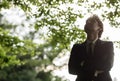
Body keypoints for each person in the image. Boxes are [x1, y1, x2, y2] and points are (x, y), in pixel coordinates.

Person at [68, 14, 114, 81]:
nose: (89, 23)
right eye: (87, 22)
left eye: (92, 21)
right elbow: (72, 70)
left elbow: (108, 65)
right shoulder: (77, 47)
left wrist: (84, 64)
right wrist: (95, 71)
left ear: (99, 28)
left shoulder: (107, 45)